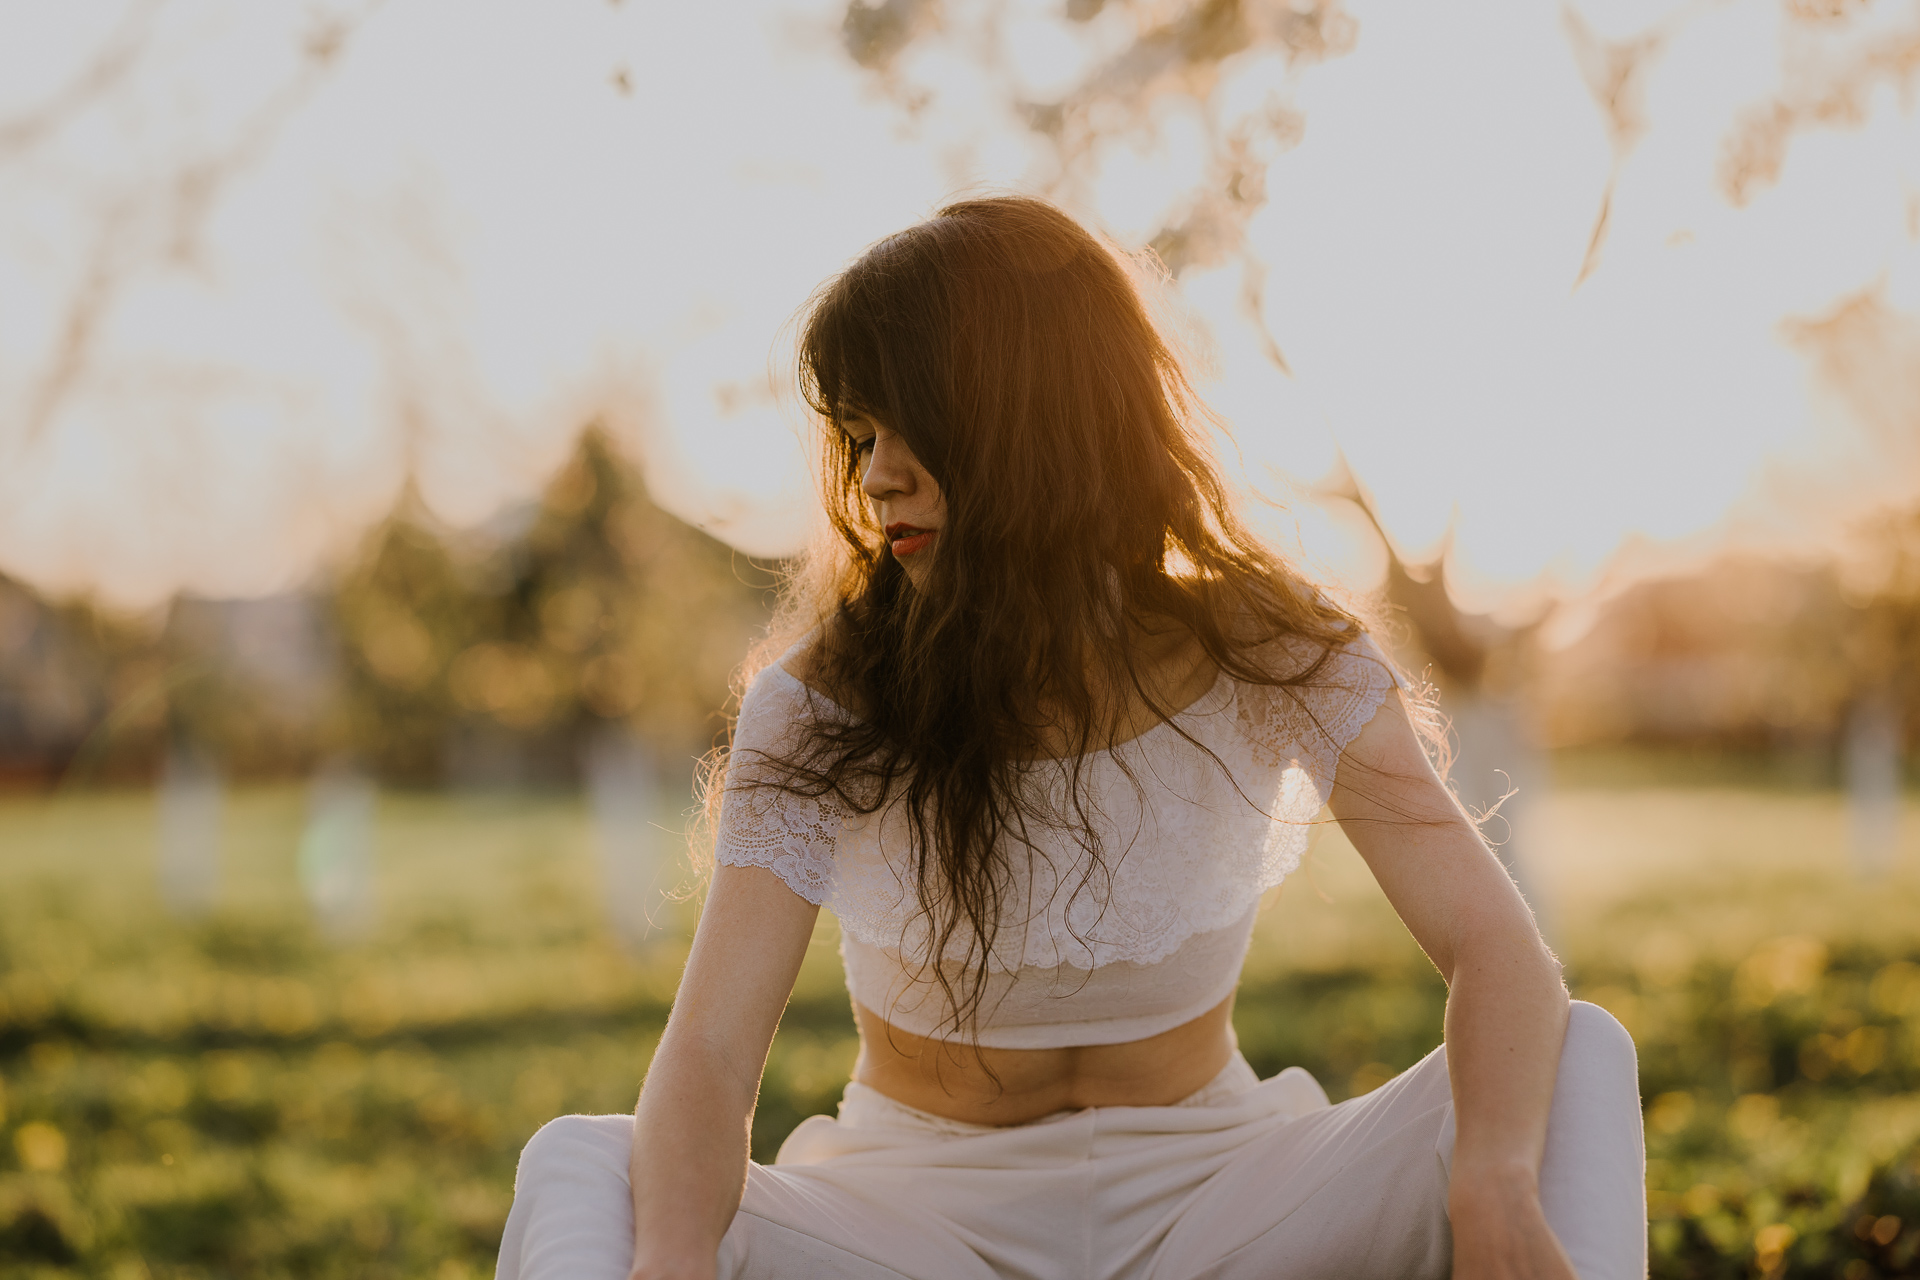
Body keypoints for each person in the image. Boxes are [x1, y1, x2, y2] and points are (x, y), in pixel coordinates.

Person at [494, 196, 1646, 1280]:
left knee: (1576, 1054)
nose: (877, 475)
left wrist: (1492, 1181)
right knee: (584, 1163)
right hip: (919, 1219)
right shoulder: (824, 698)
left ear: (1039, 419)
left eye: (912, 426)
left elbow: (1501, 952)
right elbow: (708, 1054)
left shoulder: (1274, 648)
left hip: (1221, 1201)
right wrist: (673, 1261)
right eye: (859, 433)